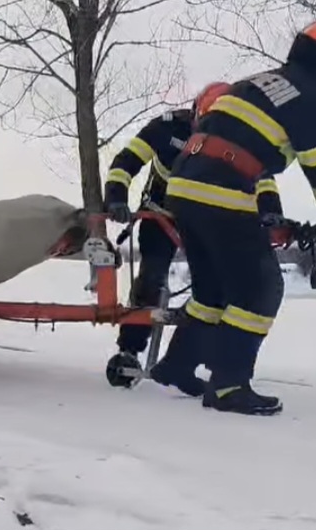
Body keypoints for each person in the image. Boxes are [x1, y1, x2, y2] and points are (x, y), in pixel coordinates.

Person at [157, 22, 316, 416]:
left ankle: (177, 365)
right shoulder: (311, 96)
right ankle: (229, 385)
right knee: (260, 289)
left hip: (184, 185)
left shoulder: (263, 81)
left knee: (211, 291)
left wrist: (269, 211)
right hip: (222, 187)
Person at [103, 83, 284, 397]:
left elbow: (263, 180)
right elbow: (127, 160)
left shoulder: (239, 136)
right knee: (152, 278)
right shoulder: (165, 127)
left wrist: (271, 214)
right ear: (195, 113)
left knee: (216, 291)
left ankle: (193, 361)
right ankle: (130, 349)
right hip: (160, 216)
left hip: (208, 220)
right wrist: (116, 197)